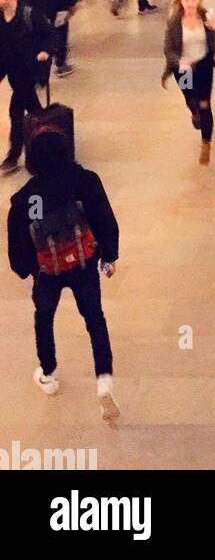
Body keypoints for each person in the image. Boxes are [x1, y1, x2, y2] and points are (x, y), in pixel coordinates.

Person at [7, 128, 120, 421]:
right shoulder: (84, 181)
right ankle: (104, 378)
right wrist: (109, 255)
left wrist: (29, 269)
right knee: (94, 317)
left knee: (44, 318)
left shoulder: (25, 199)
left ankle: (48, 372)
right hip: (83, 264)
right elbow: (104, 218)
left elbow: (18, 248)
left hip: (47, 271)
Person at [161, 0, 215, 164]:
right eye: (187, 0)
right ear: (181, 2)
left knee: (205, 104)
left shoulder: (206, 18)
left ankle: (206, 143)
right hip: (184, 69)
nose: (191, 3)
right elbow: (168, 49)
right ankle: (194, 112)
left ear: (198, 1)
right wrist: (180, 61)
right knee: (190, 97)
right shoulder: (174, 23)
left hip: (203, 66)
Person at [0, 0, 54, 173]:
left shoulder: (29, 15)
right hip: (12, 72)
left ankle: (14, 155)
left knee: (17, 111)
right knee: (35, 111)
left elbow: (49, 35)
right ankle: (50, 142)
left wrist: (45, 52)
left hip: (29, 71)